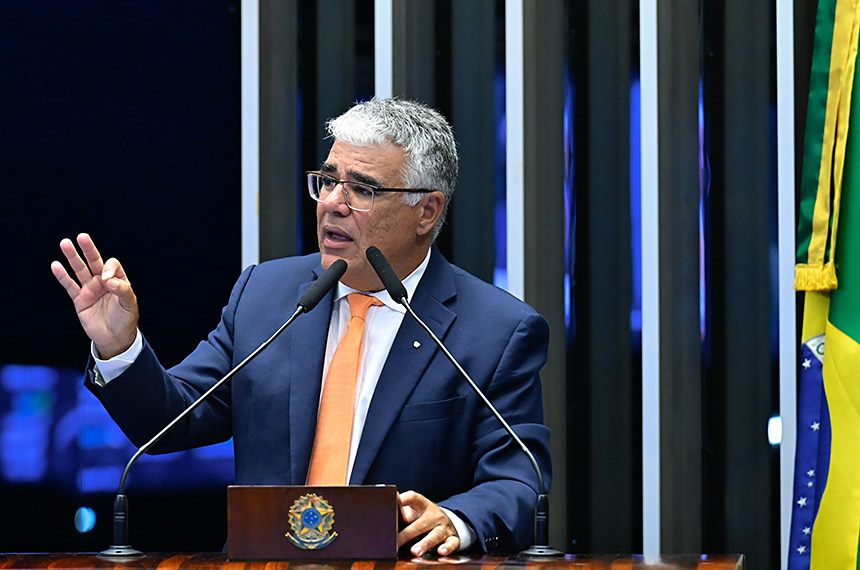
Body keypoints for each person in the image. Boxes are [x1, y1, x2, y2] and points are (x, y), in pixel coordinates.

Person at [51, 97, 551, 556]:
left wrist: (455, 520)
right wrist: (118, 345)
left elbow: (519, 481)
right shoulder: (266, 296)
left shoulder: (496, 331)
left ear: (427, 211)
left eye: (363, 190)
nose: (333, 202)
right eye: (327, 181)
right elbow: (168, 422)